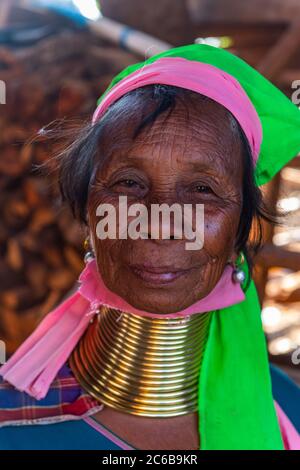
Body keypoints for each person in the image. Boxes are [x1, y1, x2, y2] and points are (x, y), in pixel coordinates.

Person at [0, 44, 299, 450]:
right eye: (128, 183)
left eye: (202, 190)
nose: (161, 225)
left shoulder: (288, 408)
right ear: (88, 215)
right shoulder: (13, 423)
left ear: (237, 234)